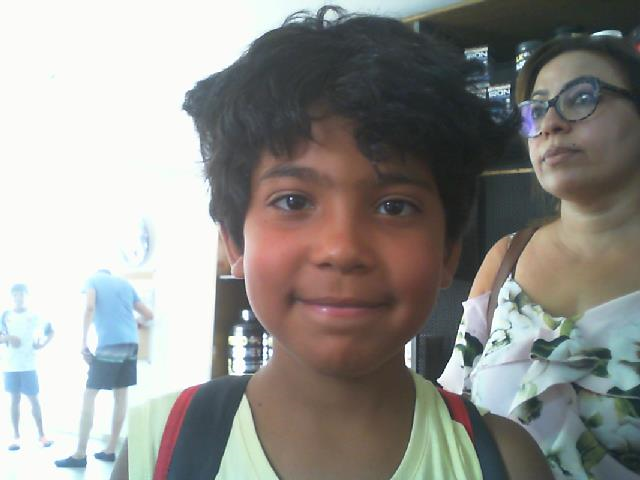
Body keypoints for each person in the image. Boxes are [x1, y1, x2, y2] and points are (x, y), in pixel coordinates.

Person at [112, 6, 553, 479]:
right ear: (235, 243)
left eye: (394, 207)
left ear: (449, 250)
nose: (342, 249)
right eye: (293, 201)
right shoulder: (159, 447)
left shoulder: (503, 462)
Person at [439, 34, 640, 479]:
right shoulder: (506, 257)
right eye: (536, 110)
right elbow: (452, 417)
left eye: (581, 98)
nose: (550, 124)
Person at [55, 269, 153, 468]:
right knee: (121, 396)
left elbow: (90, 306)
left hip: (110, 344)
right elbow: (148, 315)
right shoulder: (125, 284)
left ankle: (80, 453)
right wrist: (136, 324)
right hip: (131, 344)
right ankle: (110, 450)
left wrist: (83, 341)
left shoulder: (92, 279)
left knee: (90, 394)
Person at [0, 283, 54, 451]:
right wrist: (9, 338)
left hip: (29, 365)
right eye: (16, 294)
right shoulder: (5, 315)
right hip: (10, 366)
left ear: (27, 295)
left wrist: (42, 344)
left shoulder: (34, 315)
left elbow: (51, 331)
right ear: (12, 296)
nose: (19, 297)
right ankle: (16, 437)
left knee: (34, 400)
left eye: (22, 294)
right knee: (14, 400)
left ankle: (42, 435)